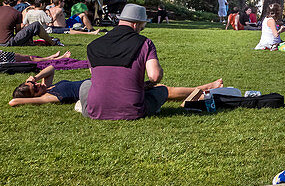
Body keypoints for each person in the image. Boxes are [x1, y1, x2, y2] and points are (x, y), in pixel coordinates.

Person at [80, 4, 172, 120]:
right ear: (135, 24)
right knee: (162, 90)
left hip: (96, 111)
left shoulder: (93, 45)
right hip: (134, 110)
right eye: (141, 28)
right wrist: (147, 84)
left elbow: (94, 76)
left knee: (86, 85)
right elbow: (155, 76)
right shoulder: (145, 43)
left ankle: (87, 107)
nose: (140, 31)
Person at [10, 63, 224, 107]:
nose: (38, 87)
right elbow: (13, 102)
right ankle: (206, 89)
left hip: (104, 82)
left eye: (35, 85)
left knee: (161, 89)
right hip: (106, 89)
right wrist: (28, 96)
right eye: (35, 90)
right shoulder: (49, 96)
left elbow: (51, 69)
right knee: (163, 91)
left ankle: (204, 90)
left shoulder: (48, 86)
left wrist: (34, 78)